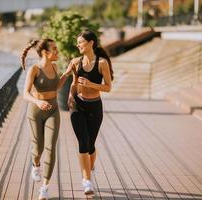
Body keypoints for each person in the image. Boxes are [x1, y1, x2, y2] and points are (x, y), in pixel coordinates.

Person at [21, 38, 72, 200]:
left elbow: (56, 87)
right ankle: (35, 164)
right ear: (45, 52)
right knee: (38, 149)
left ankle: (45, 187)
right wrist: (38, 101)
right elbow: (25, 93)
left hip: (53, 110)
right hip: (35, 111)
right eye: (54, 49)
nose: (57, 51)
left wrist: (67, 73)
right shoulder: (34, 69)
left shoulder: (55, 66)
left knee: (50, 148)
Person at [67, 30, 113, 195]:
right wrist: (70, 95)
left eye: (81, 42)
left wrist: (90, 84)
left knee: (91, 145)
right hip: (77, 105)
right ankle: (87, 181)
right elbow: (73, 83)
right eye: (78, 42)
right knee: (83, 143)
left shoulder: (102, 63)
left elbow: (108, 87)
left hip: (95, 107)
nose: (78, 45)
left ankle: (89, 166)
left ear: (91, 43)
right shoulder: (75, 61)